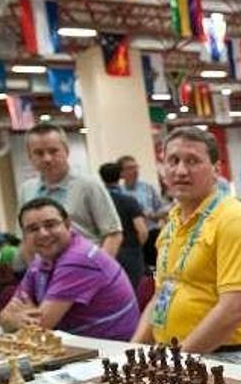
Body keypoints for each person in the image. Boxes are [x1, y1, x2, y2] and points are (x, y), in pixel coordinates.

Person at [131, 127, 241, 363]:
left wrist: (179, 360)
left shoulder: (235, 220)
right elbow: (161, 296)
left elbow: (234, 309)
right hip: (172, 356)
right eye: (173, 161)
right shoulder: (172, 223)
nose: (181, 170)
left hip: (219, 358)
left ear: (216, 169)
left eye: (193, 161)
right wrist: (132, 352)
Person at [0, 198, 139, 340]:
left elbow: (40, 326)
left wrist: (17, 318)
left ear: (67, 225)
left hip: (112, 353)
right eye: (33, 229)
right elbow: (4, 316)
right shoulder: (40, 261)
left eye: (50, 225)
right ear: (24, 236)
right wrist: (10, 318)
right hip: (77, 347)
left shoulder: (79, 258)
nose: (43, 233)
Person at [19, 123, 122, 257]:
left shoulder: (89, 185)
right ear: (30, 157)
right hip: (47, 273)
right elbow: (26, 239)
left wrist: (99, 269)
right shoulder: (26, 190)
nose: (47, 158)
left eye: (53, 151)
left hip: (85, 269)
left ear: (66, 151)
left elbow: (113, 234)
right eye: (39, 153)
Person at [99, 162, 148, 288]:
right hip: (130, 252)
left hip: (105, 252)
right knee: (132, 291)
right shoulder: (128, 200)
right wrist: (137, 247)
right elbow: (142, 230)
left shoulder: (98, 201)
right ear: (120, 176)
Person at [118, 155, 168, 268]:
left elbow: (163, 209)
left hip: (152, 234)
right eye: (130, 168)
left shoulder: (148, 188)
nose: (135, 171)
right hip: (132, 238)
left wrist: (153, 215)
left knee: (157, 269)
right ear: (121, 173)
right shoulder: (120, 193)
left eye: (136, 167)